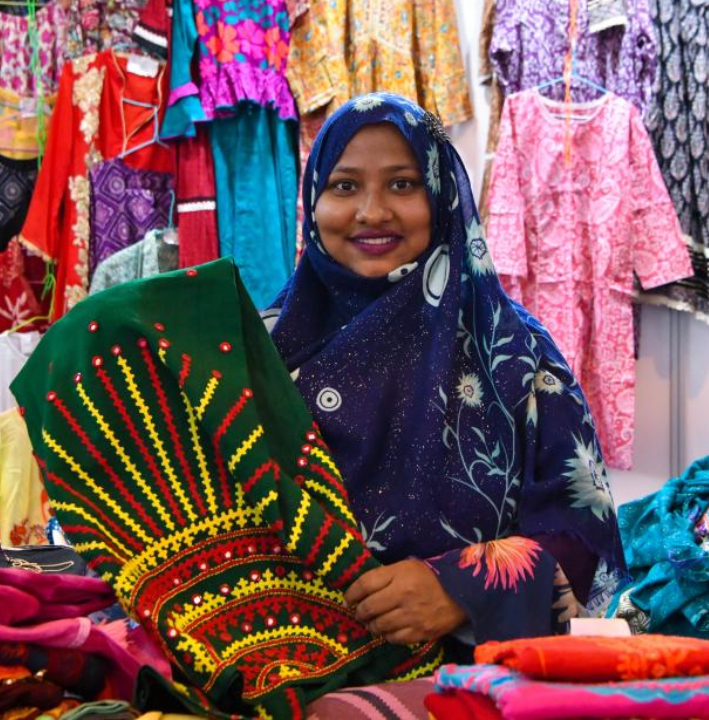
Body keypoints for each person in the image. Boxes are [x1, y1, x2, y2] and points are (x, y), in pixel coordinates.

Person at [264, 93, 627, 647]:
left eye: (402, 184)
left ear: (442, 195)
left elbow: (584, 541)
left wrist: (463, 588)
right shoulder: (265, 351)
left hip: (472, 675)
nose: (372, 212)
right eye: (344, 186)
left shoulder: (515, 353)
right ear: (313, 200)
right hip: (281, 666)